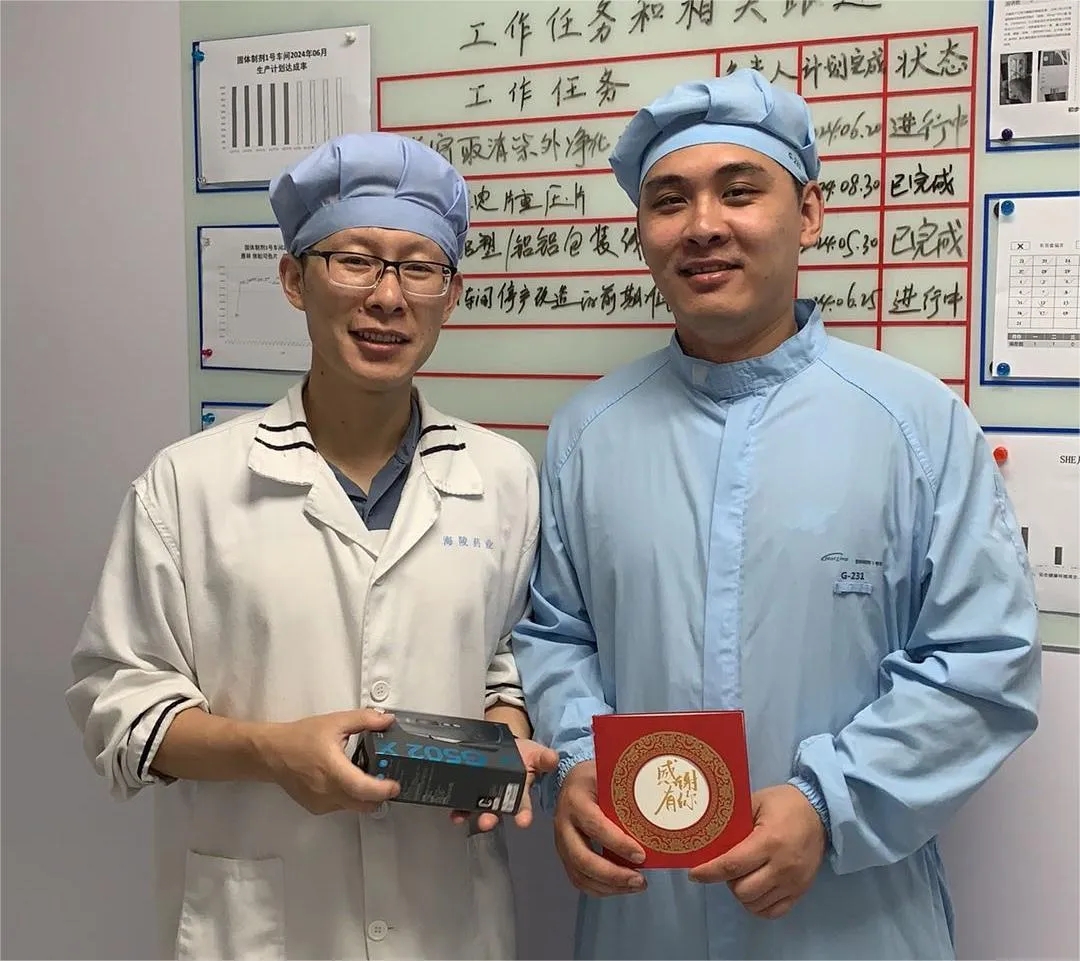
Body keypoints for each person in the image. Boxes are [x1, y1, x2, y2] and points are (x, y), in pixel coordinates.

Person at [512, 70, 1040, 960]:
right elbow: (556, 637)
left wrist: (830, 803)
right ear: (643, 233)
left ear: (809, 214)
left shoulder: (914, 424)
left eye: (739, 191)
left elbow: (985, 660)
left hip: (850, 919)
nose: (703, 225)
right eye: (669, 200)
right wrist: (577, 764)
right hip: (647, 917)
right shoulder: (588, 434)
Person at [67, 131, 556, 961]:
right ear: (295, 278)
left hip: (447, 918)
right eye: (355, 260)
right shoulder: (190, 484)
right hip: (263, 925)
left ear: (451, 294)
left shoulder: (502, 475)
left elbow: (503, 656)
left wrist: (504, 730)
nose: (388, 297)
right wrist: (272, 752)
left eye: (419, 268)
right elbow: (117, 705)